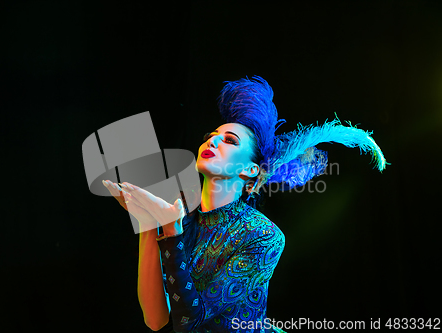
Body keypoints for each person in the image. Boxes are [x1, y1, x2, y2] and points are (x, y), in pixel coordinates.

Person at [102, 76, 387, 333]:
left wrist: (170, 230)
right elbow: (155, 320)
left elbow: (189, 321)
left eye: (229, 140)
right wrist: (147, 222)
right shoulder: (181, 219)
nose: (212, 140)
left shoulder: (263, 236)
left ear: (251, 170)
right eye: (211, 136)